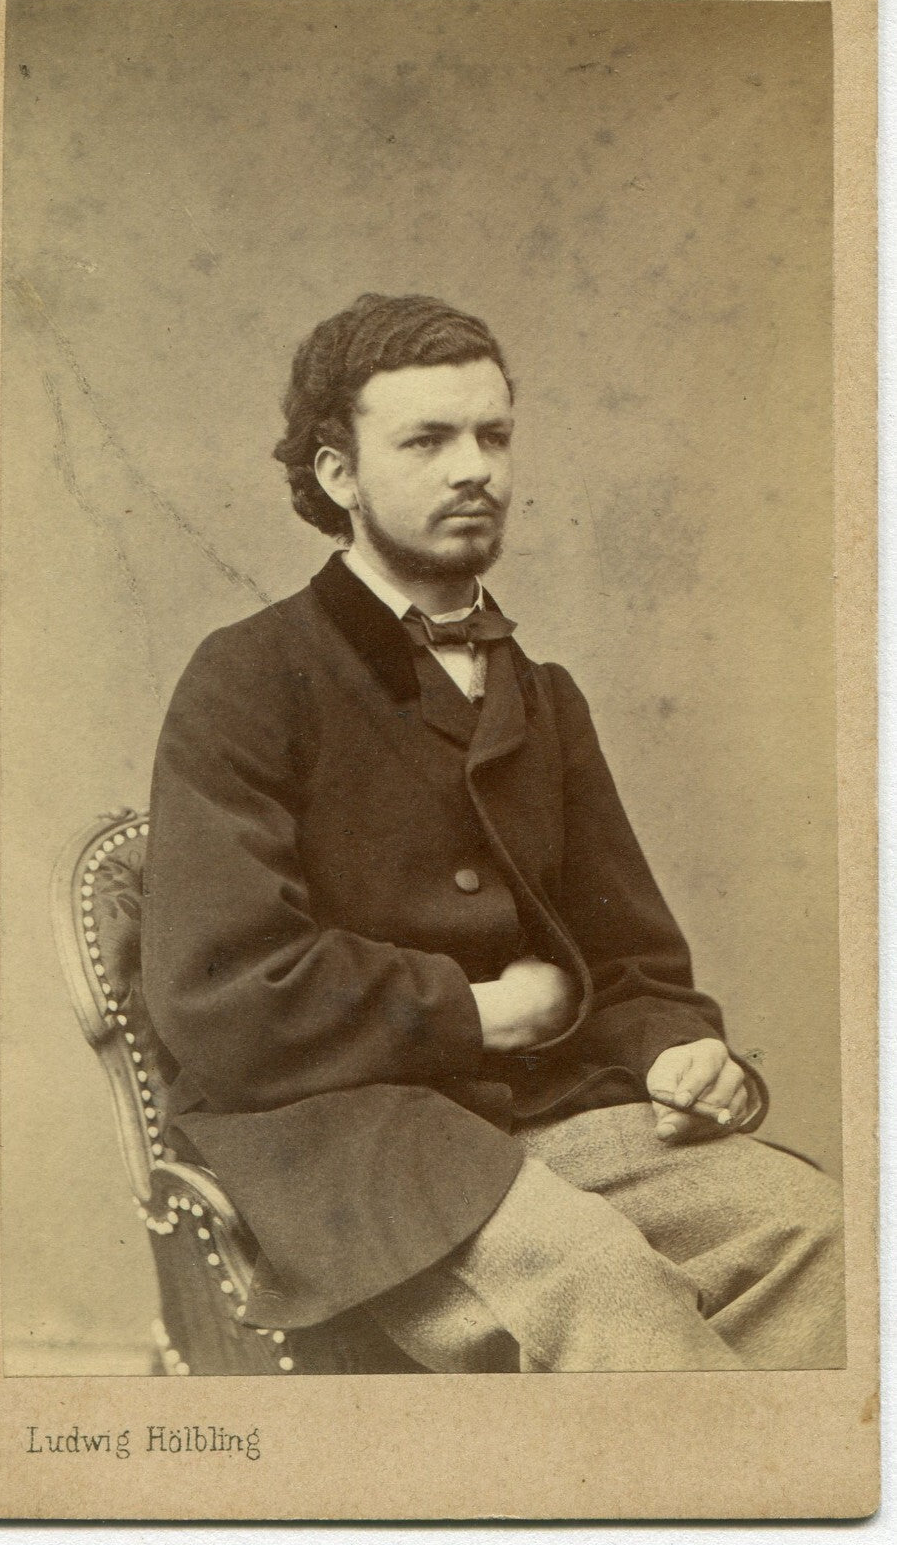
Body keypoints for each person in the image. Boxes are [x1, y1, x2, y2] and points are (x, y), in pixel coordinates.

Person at [142, 292, 844, 1372]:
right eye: (426, 440)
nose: (474, 467)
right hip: (341, 1145)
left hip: (539, 1115)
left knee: (823, 1235)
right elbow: (225, 990)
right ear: (338, 475)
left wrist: (681, 1049)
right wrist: (481, 1013)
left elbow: (632, 962)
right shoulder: (248, 676)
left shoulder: (542, 694)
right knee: (594, 1280)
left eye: (493, 433)